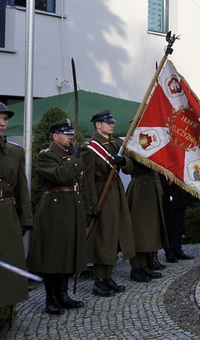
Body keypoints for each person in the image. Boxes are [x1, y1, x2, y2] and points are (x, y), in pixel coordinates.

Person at [0, 101, 32, 338]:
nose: (2, 123)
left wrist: (25, 219)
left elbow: (22, 188)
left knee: (6, 271)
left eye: (4, 118)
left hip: (8, 218)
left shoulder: (15, 151)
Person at [27, 118, 87, 315]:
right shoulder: (47, 155)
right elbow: (60, 176)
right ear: (55, 136)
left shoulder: (70, 154)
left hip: (72, 207)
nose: (71, 137)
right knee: (53, 255)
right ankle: (51, 299)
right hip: (55, 209)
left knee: (68, 252)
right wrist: (74, 159)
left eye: (72, 133)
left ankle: (63, 295)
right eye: (66, 133)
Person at [81, 109, 136, 297]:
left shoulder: (117, 144)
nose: (112, 124)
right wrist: (92, 206)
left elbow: (130, 167)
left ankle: (108, 276)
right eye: (108, 122)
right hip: (100, 194)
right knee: (103, 238)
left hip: (116, 192)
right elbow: (86, 180)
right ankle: (99, 280)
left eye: (112, 122)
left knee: (114, 236)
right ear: (98, 125)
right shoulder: (89, 149)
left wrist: (123, 162)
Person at [126, 160, 169, 282]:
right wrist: (124, 162)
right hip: (139, 188)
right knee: (138, 231)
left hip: (151, 186)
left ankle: (144, 266)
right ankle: (136, 268)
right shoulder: (133, 144)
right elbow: (127, 167)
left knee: (149, 232)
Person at [161, 176, 195, 263]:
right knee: (169, 226)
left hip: (180, 195)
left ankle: (178, 250)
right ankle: (169, 252)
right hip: (167, 195)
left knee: (179, 226)